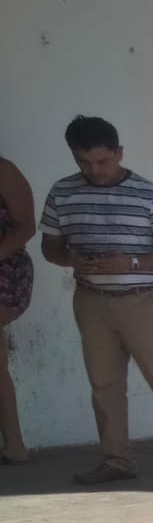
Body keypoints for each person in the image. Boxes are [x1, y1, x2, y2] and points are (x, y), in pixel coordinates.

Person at [40, 116, 153, 485]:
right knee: (103, 384)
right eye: (84, 163)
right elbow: (50, 247)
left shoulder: (149, 194)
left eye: (104, 161)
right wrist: (71, 259)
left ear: (119, 152)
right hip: (91, 300)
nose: (95, 170)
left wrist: (132, 263)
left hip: (142, 301)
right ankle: (116, 459)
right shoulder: (62, 192)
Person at [0, 153, 35, 464]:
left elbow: (25, 228)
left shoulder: (4, 171)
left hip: (5, 272)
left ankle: (15, 444)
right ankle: (14, 445)